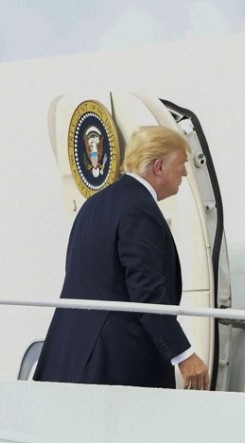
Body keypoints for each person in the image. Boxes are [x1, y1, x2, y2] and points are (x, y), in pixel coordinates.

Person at [34, 126, 210, 390]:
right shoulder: (140, 209)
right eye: (181, 164)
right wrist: (183, 355)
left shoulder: (94, 204)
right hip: (114, 366)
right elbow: (147, 292)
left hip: (69, 358)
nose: (185, 172)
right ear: (159, 167)